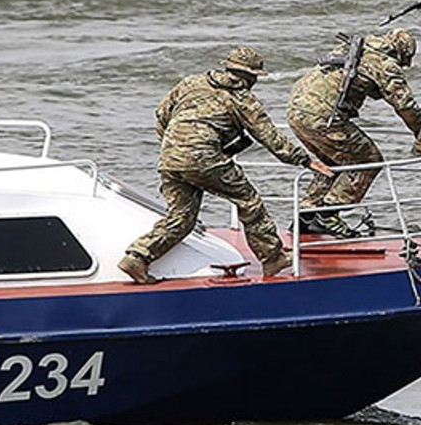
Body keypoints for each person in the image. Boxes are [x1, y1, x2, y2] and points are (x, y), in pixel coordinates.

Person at [118, 46, 333, 285]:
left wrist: (175, 145)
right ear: (250, 76)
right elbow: (270, 137)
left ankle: (138, 256)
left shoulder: (191, 83)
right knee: (248, 201)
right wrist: (305, 160)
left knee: (181, 217)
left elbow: (161, 115)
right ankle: (272, 257)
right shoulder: (242, 99)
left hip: (169, 158)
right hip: (204, 158)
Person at [285, 28, 421, 238]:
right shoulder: (385, 65)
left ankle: (306, 215)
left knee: (335, 164)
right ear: (401, 52)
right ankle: (328, 214)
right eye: (406, 59)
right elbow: (405, 105)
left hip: (297, 110)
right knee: (369, 160)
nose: (407, 65)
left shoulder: (356, 47)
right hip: (323, 117)